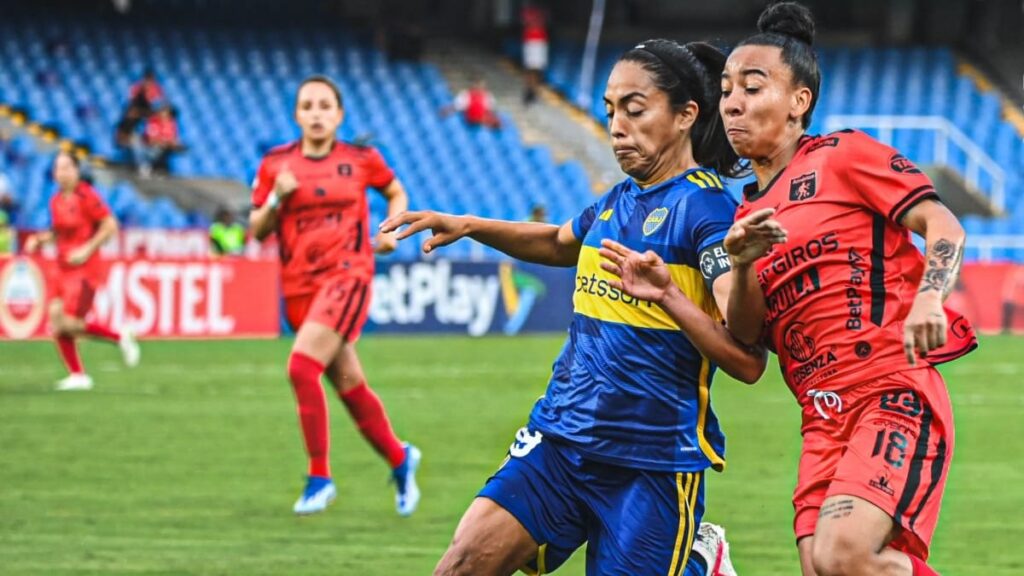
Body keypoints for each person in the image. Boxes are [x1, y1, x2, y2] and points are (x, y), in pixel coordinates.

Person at [383, 39, 756, 576]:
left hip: (649, 463)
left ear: (684, 116)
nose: (616, 126)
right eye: (609, 111)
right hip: (560, 440)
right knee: (459, 566)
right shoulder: (617, 199)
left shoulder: (708, 210)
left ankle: (700, 561)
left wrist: (670, 297)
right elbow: (560, 243)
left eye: (634, 109)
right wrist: (469, 225)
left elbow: (744, 358)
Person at [719, 4, 977, 576]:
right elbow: (745, 338)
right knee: (821, 565)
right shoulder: (746, 216)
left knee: (843, 554)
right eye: (726, 89)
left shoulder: (844, 156)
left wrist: (930, 298)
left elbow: (944, 225)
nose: (733, 102)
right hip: (820, 415)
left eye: (752, 87)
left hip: (889, 389)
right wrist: (741, 266)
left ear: (798, 102)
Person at [248, 75, 421, 517]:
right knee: (348, 385)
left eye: (326, 105)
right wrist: (275, 200)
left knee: (302, 367)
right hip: (299, 286)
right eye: (308, 105)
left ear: (339, 114)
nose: (317, 113)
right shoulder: (275, 167)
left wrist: (388, 230)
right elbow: (257, 230)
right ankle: (401, 459)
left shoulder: (361, 160)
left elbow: (394, 190)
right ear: (297, 115)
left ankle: (320, 478)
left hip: (348, 275)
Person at [23, 153, 140, 391]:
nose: (62, 173)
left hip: (85, 269)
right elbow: (58, 232)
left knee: (70, 322)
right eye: (58, 169)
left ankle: (118, 337)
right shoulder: (56, 200)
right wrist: (39, 239)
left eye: (67, 168)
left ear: (76, 171)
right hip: (61, 266)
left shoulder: (87, 195)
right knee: (56, 322)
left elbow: (110, 225)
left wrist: (87, 249)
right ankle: (78, 375)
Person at [521, 4, 549, 105]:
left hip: (540, 43)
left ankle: (533, 92)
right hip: (530, 42)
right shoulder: (528, 9)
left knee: (537, 70)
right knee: (530, 69)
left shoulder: (544, 10)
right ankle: (530, 91)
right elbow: (526, 21)